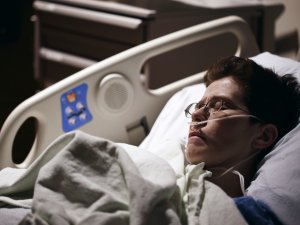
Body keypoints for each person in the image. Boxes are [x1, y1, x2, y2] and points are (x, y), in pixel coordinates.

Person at [184, 56, 300, 223]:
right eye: (198, 106)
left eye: (219, 105)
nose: (196, 115)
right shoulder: (164, 162)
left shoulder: (245, 216)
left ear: (263, 136)